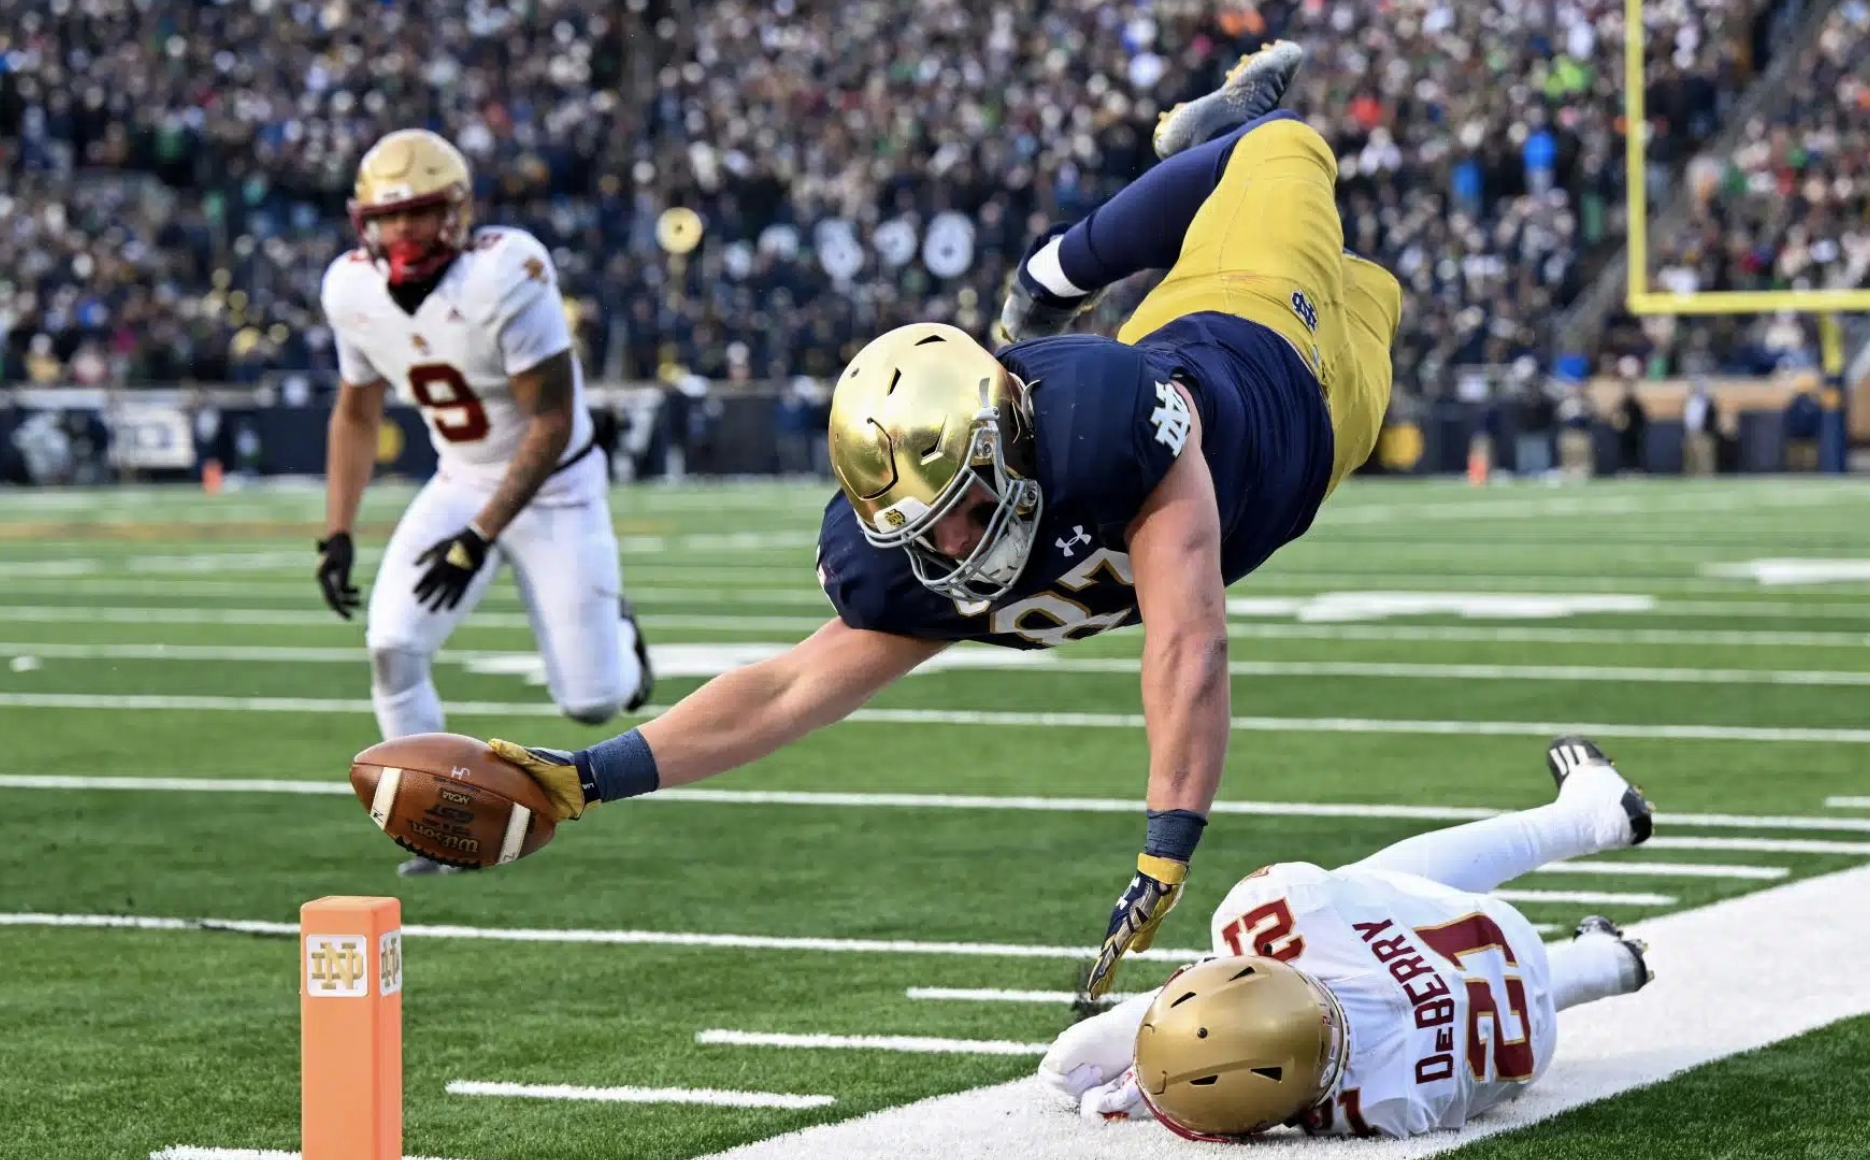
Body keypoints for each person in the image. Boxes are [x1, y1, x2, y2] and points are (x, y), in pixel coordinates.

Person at [484, 42, 1401, 997]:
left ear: (1009, 440)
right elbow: (787, 690)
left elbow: (1189, 641)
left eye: (960, 509)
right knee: (1376, 284)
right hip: (1331, 448)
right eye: (921, 532)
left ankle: (1053, 267)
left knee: (1285, 147)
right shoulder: (915, 556)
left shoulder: (1106, 430)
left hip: (1258, 330)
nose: (952, 548)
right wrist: (587, 777)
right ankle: (1181, 199)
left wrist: (1166, 847)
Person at [314, 129, 654, 877]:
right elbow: (357, 412)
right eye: (389, 215)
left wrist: (478, 536)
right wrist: (338, 531)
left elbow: (553, 420)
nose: (402, 230)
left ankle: (625, 651)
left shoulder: (506, 271)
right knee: (392, 647)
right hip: (461, 475)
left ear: (458, 211)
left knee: (595, 702)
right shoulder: (349, 289)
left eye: (421, 212)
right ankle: (435, 829)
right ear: (362, 218)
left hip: (557, 484)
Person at [1039, 737, 1654, 1141]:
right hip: (1493, 932)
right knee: (1360, 885)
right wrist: (1138, 1030)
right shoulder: (1281, 912)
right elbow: (1236, 989)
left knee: (1472, 993)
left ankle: (1611, 963)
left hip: (1532, 1041)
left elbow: (1257, 1074)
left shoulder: (1384, 1109)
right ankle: (1589, 817)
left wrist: (1163, 1086)